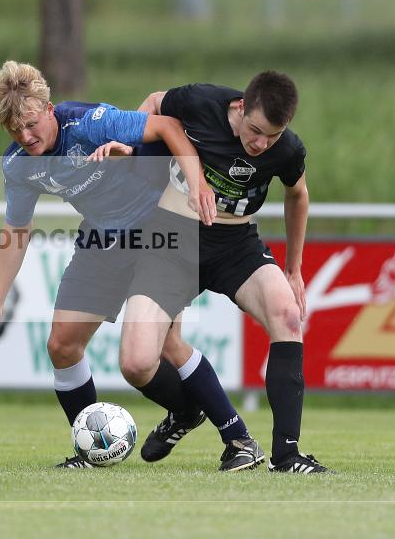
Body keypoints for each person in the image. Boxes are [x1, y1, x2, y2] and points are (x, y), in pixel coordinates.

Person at [0, 61, 264, 471]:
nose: (25, 137)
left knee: (157, 351)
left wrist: (196, 182)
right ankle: (93, 451)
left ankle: (238, 438)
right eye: (13, 130)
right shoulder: (19, 164)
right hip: (102, 238)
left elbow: (167, 126)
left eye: (30, 124)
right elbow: (17, 230)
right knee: (61, 345)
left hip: (158, 232)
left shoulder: (90, 123)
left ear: (49, 108)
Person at [126, 71, 331, 473]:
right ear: (240, 107)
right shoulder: (201, 101)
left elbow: (297, 195)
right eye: (255, 131)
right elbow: (153, 102)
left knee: (287, 314)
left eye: (271, 136)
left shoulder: (287, 150)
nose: (260, 144)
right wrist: (134, 160)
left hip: (235, 246)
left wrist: (294, 270)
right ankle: (188, 411)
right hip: (172, 239)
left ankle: (287, 456)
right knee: (137, 363)